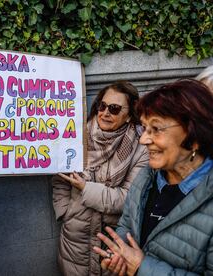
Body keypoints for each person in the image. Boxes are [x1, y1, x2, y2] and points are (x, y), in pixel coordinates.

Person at [93, 79, 213, 275]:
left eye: (156, 129)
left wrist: (141, 267)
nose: (144, 140)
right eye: (145, 128)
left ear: (195, 135)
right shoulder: (147, 176)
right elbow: (126, 226)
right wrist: (117, 255)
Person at [52, 81, 149, 275]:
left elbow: (127, 198)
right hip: (75, 237)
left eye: (114, 109)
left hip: (114, 240)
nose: (105, 113)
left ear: (129, 115)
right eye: (102, 106)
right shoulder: (77, 137)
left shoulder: (142, 148)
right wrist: (65, 212)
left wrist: (85, 188)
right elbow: (59, 179)